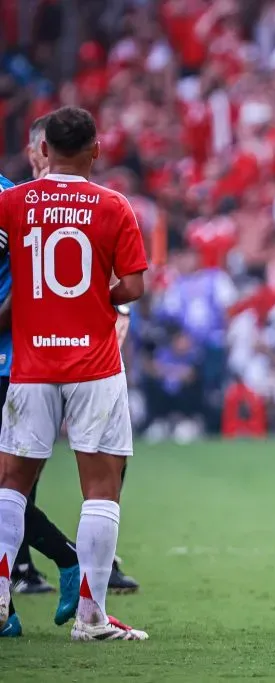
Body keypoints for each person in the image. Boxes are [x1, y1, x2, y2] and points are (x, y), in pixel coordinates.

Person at [0, 106, 149, 640]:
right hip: (95, 364)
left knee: (11, 483)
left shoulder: (12, 202)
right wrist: (93, 298)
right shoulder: (113, 205)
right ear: (95, 149)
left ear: (44, 149)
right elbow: (133, 287)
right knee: (101, 488)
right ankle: (91, 617)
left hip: (31, 363)